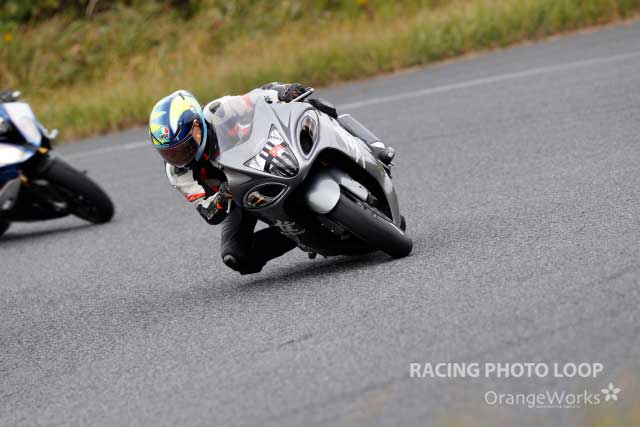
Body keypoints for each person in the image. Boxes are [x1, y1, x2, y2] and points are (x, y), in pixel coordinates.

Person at [148, 83, 394, 274]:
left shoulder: (218, 111)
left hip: (266, 150)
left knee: (314, 105)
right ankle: (299, 235)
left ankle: (372, 147)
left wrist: (283, 91)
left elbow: (258, 97)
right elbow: (207, 212)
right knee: (236, 255)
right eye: (168, 152)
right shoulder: (178, 172)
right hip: (240, 194)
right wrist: (222, 196)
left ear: (196, 125)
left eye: (181, 147)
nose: (177, 156)